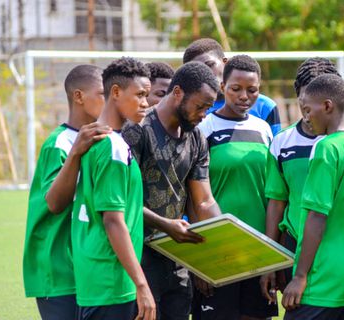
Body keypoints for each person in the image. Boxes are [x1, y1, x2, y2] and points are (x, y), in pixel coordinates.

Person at [260, 58, 344, 320]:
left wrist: (301, 275)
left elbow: (317, 215)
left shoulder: (328, 147)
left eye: (308, 109)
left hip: (321, 275)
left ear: (327, 105)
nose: (305, 117)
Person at [122, 61, 222, 320]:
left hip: (178, 257)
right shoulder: (136, 129)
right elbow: (123, 200)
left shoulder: (197, 138)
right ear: (177, 92)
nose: (203, 114)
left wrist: (223, 238)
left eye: (208, 108)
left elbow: (204, 201)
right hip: (137, 256)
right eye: (200, 106)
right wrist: (166, 224)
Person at [23, 64, 111, 320]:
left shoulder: (103, 139)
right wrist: (75, 153)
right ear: (79, 96)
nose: (109, 101)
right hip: (58, 265)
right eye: (102, 94)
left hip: (85, 264)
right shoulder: (59, 143)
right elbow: (55, 204)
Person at [192, 55, 276, 320]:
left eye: (252, 90)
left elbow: (273, 193)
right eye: (235, 89)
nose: (244, 96)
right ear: (222, 87)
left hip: (258, 248)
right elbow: (194, 198)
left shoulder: (264, 130)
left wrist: (272, 256)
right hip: (218, 249)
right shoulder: (204, 129)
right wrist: (201, 259)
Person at [71, 57, 155, 320]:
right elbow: (113, 221)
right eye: (140, 95)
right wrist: (141, 285)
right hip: (112, 281)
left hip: (96, 277)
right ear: (116, 92)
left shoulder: (97, 140)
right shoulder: (112, 147)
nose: (146, 103)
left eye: (148, 96)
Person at [183, 38, 282, 135]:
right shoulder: (191, 110)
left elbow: (275, 148)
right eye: (198, 70)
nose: (205, 73)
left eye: (210, 64)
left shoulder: (265, 106)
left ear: (225, 62)